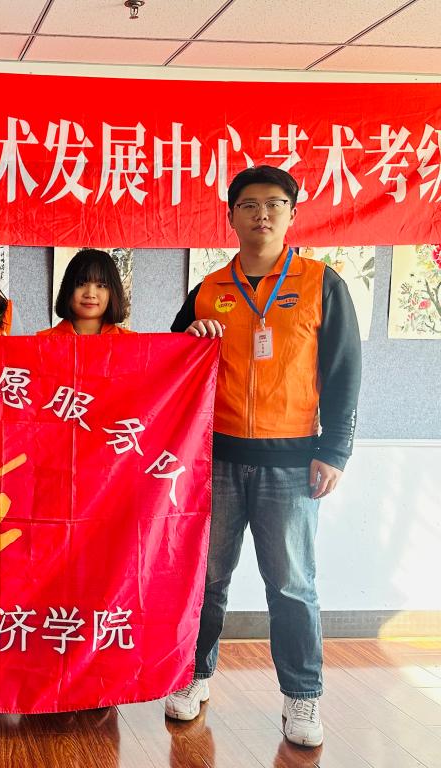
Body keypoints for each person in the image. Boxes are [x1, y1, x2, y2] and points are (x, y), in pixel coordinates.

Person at [165, 166, 361, 748]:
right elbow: (168, 365)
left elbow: (344, 372)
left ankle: (302, 696)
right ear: (230, 216)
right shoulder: (209, 289)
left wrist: (335, 450)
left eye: (274, 203)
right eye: (248, 204)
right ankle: (194, 675)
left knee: (292, 585)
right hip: (217, 460)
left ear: (292, 214)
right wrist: (190, 339)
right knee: (207, 578)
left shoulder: (322, 284)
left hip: (293, 462)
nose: (262, 214)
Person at [38, 248, 134, 336]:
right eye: (81, 284)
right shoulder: (40, 341)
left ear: (113, 292)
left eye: (101, 285)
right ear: (68, 288)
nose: (90, 294)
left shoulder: (134, 343)